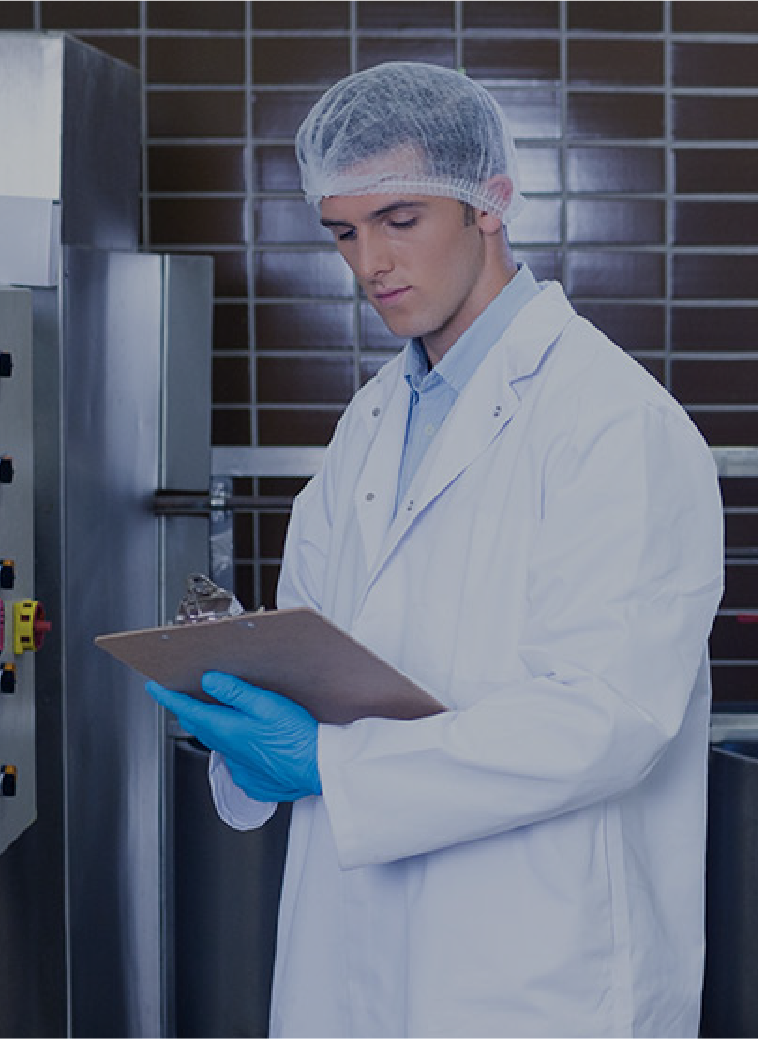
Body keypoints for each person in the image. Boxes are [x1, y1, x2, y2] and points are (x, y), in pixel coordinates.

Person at [143, 62, 724, 1038]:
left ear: (489, 202)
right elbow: (318, 645)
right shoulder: (372, 421)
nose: (370, 261)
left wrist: (334, 765)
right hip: (354, 951)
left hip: (533, 969)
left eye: (399, 219)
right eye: (344, 231)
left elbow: (604, 717)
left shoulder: (614, 422)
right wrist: (242, 710)